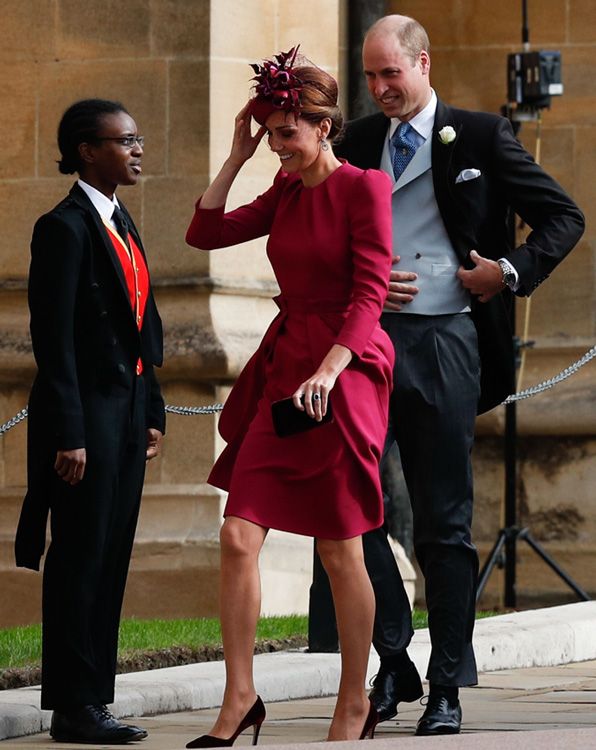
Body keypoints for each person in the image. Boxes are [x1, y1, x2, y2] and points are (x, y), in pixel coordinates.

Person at [309, 14, 585, 736]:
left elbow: (563, 216)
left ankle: (446, 685)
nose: (378, 89)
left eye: (389, 74)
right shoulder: (359, 141)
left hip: (446, 344)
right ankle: (391, 656)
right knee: (349, 510)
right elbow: (318, 227)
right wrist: (358, 281)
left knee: (445, 523)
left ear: (422, 64)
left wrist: (508, 271)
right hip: (363, 344)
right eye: (369, 77)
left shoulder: (483, 135)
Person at [185, 46, 395, 746]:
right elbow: (205, 232)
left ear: (323, 128)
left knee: (341, 549)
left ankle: (352, 703)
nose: (279, 145)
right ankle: (239, 697)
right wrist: (238, 155)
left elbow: (369, 294)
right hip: (287, 369)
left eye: (287, 133)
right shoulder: (285, 188)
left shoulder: (364, 189)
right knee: (238, 535)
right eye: (271, 132)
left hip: (345, 369)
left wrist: (331, 371)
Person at [15, 99, 166, 745]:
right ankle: (73, 707)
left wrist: (152, 409)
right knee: (79, 559)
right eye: (123, 141)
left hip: (127, 414)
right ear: (85, 150)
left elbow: (139, 325)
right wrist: (69, 433)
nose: (137, 151)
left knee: (110, 557)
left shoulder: (119, 217)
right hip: (86, 423)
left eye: (136, 140)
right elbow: (55, 343)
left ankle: (94, 700)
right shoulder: (64, 226)